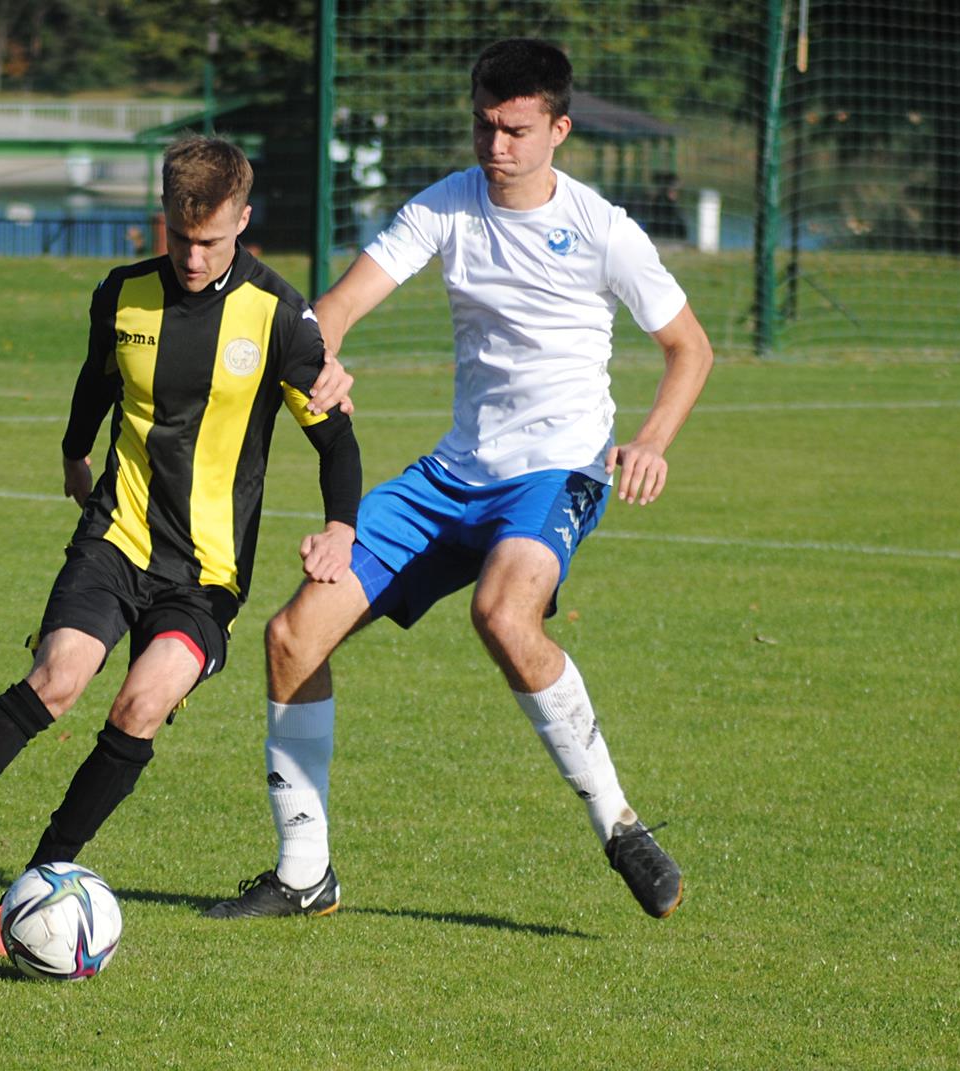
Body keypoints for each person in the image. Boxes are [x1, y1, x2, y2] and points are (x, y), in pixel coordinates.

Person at [206, 38, 713, 922]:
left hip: (557, 471)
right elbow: (337, 307)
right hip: (451, 475)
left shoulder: (604, 230)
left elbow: (688, 348)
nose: (496, 147)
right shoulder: (443, 208)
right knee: (291, 636)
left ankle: (618, 823)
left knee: (501, 613)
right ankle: (304, 873)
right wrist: (323, 360)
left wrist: (653, 440)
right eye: (484, 125)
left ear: (559, 127)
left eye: (516, 130)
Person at [0, 135, 361, 950]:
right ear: (164, 220)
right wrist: (75, 453)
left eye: (211, 241)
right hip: (117, 537)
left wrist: (340, 527)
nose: (191, 255)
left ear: (243, 222)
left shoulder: (280, 314)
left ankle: (26, 895)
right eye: (180, 237)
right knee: (57, 676)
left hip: (206, 575)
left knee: (139, 705)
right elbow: (97, 382)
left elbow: (336, 436)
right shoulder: (122, 294)